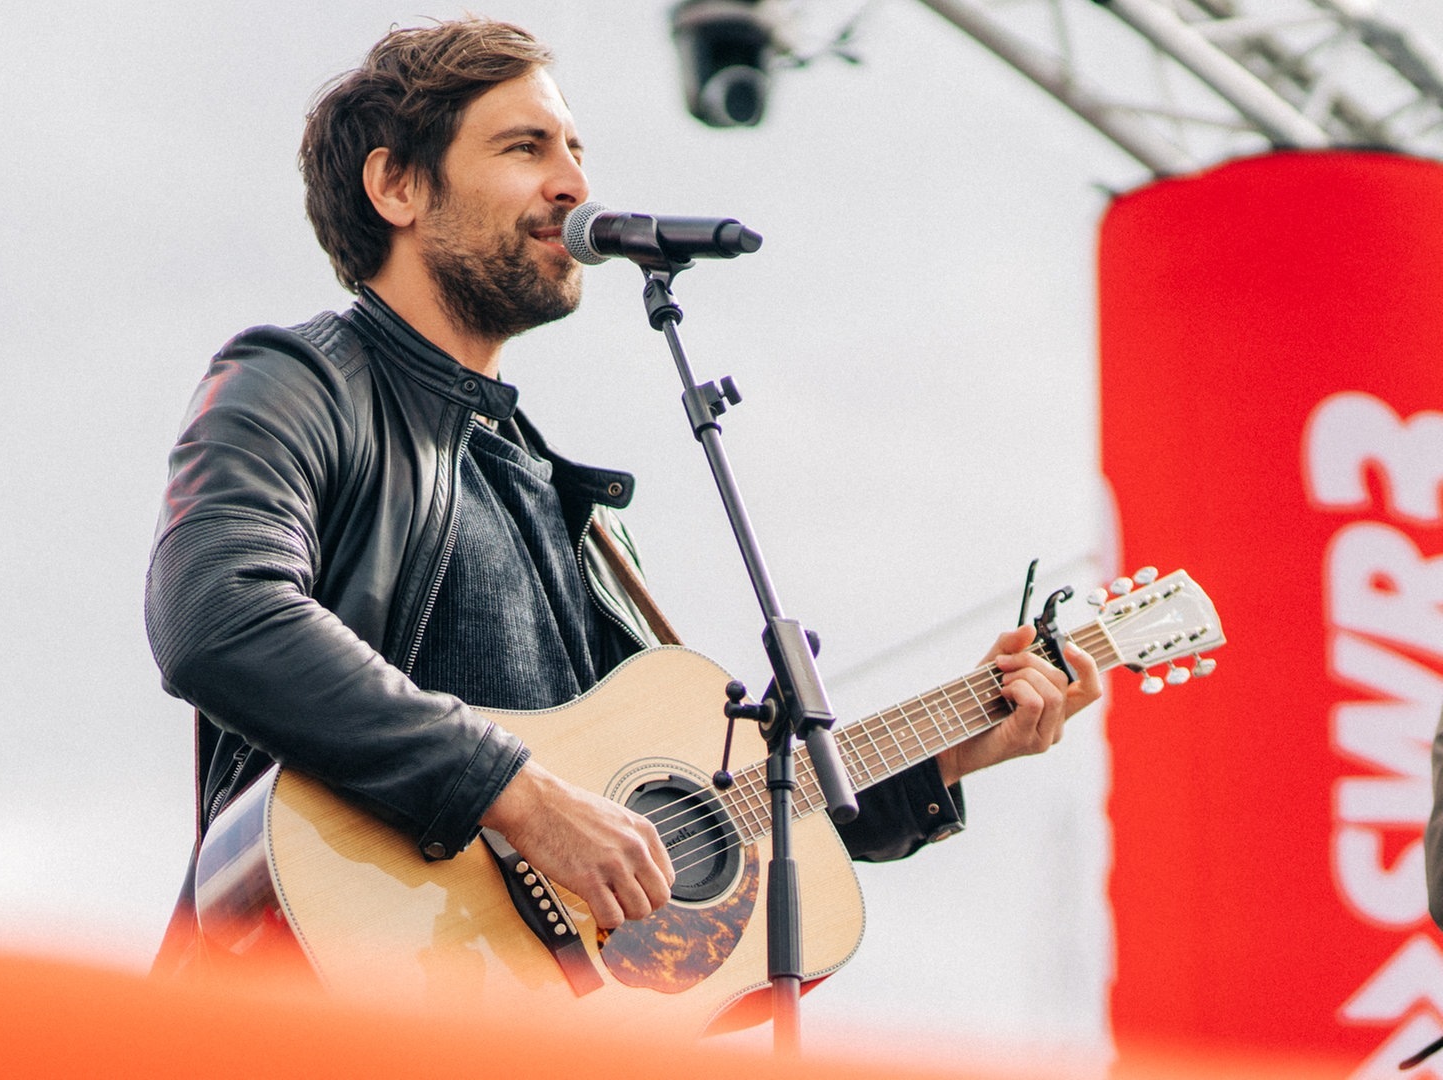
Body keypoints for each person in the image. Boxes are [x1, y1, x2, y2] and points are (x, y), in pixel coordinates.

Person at [144, 16, 1101, 973]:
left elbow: (704, 827)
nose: (573, 185)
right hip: (304, 996)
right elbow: (218, 613)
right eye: (524, 147)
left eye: (574, 149)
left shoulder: (564, 505)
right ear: (396, 185)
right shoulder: (301, 380)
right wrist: (519, 794)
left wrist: (948, 755)